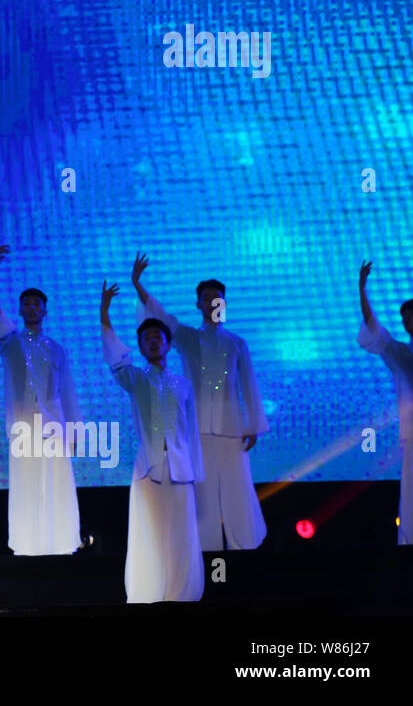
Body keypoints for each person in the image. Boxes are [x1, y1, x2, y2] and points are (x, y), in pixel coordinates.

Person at [131, 253, 268, 550]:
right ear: (199, 304)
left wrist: (253, 424)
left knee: (237, 489)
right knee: (202, 493)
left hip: (232, 429)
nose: (211, 302)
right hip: (196, 431)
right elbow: (160, 314)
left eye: (217, 298)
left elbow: (249, 385)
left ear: (224, 303)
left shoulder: (236, 342)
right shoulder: (187, 337)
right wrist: (138, 285)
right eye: (206, 298)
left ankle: (243, 544)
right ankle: (205, 550)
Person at [100, 281, 204, 603]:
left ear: (168, 344)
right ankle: (149, 593)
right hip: (148, 471)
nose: (154, 341)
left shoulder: (184, 385)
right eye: (147, 339)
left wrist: (194, 472)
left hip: (180, 470)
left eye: (158, 337)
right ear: (141, 347)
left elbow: (191, 434)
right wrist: (104, 312)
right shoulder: (136, 378)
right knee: (150, 534)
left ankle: (182, 593)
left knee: (182, 534)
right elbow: (115, 359)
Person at [0, 241, 82, 556]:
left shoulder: (56, 349)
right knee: (27, 486)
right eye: (26, 303)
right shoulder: (11, 342)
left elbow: (67, 392)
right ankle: (27, 546)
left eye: (36, 304)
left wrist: (74, 431)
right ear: (21, 309)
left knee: (57, 484)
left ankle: (63, 543)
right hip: (23, 427)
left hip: (54, 426)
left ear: (44, 310)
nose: (31, 307)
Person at [356, 260, 413, 544]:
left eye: (412, 315)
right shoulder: (402, 353)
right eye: (404, 316)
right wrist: (362, 291)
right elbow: (376, 332)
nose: (406, 320)